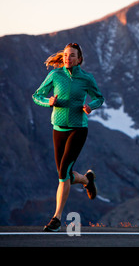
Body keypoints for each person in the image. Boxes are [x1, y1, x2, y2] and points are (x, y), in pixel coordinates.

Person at [32, 42, 104, 232]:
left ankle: (56, 219)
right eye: (65, 55)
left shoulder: (86, 78)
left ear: (79, 59)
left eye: (72, 55)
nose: (67, 58)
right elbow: (36, 95)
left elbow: (99, 97)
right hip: (58, 128)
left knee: (63, 172)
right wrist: (48, 101)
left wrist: (91, 106)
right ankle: (87, 180)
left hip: (78, 129)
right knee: (64, 175)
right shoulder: (55, 75)